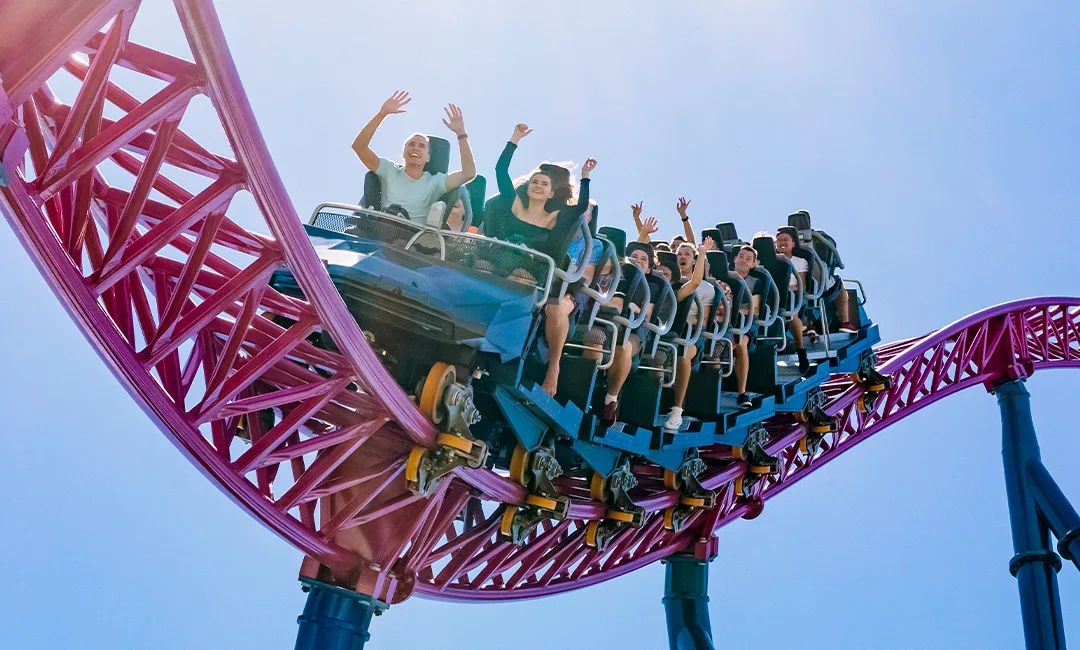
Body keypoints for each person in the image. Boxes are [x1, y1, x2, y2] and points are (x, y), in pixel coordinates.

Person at [488, 122, 597, 395]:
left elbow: (581, 207)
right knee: (480, 267)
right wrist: (514, 139)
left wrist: (585, 176)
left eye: (544, 184)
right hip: (503, 260)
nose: (538, 185)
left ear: (552, 193)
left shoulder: (555, 217)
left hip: (533, 271)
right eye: (535, 182)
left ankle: (541, 363)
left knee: (518, 280)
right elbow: (501, 171)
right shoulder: (514, 204)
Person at [351, 91, 477, 224]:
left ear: (428, 157)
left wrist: (461, 133)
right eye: (411, 144)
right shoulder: (389, 170)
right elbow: (359, 147)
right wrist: (381, 114)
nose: (416, 148)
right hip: (383, 231)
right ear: (404, 153)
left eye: (422, 146)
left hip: (414, 239)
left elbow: (469, 173)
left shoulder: (435, 182)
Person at [595, 241, 655, 424]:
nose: (638, 261)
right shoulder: (620, 277)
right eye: (634, 257)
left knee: (623, 347)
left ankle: (610, 401)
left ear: (649, 268)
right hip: (608, 324)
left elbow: (645, 313)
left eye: (644, 259)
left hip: (635, 331)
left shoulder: (651, 286)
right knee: (596, 338)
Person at [658, 240, 712, 430]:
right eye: (659, 274)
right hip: (655, 336)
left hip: (684, 336)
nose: (662, 277)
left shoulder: (675, 293)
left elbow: (695, 282)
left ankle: (677, 409)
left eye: (666, 275)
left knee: (682, 355)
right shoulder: (649, 289)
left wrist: (703, 252)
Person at [773, 228, 811, 374]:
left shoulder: (800, 262)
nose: (782, 243)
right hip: (775, 295)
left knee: (790, 313)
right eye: (779, 240)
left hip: (795, 295)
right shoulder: (772, 261)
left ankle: (800, 350)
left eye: (785, 240)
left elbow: (802, 285)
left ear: (793, 244)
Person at [732, 245, 761, 408]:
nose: (743, 260)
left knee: (741, 345)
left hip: (746, 322)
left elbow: (754, 308)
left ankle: (742, 393)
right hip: (721, 320)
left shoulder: (756, 282)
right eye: (741, 256)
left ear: (754, 263)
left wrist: (733, 311)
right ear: (735, 258)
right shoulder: (723, 276)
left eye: (748, 259)